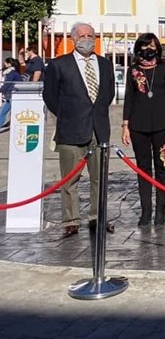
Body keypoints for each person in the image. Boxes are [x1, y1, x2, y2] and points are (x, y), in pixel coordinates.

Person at [43, 22, 115, 238]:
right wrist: (68, 115)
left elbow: (108, 93)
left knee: (99, 179)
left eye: (90, 35)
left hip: (99, 129)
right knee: (70, 180)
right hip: (71, 131)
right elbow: (50, 96)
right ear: (73, 39)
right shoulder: (59, 65)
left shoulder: (105, 64)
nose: (86, 38)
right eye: (82, 35)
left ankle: (97, 218)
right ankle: (71, 220)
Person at [122, 33, 165, 227]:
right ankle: (146, 211)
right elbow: (129, 100)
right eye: (145, 47)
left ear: (158, 48)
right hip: (138, 126)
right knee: (143, 169)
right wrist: (125, 126)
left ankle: (161, 211)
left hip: (163, 125)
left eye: (152, 47)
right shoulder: (133, 71)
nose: (149, 50)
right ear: (138, 48)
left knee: (161, 167)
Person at [0, 58, 22, 129]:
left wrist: (1, 90)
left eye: (5, 63)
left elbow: (7, 84)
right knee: (4, 111)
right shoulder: (13, 72)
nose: (4, 64)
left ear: (9, 64)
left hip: (12, 95)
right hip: (11, 95)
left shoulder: (12, 73)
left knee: (4, 111)